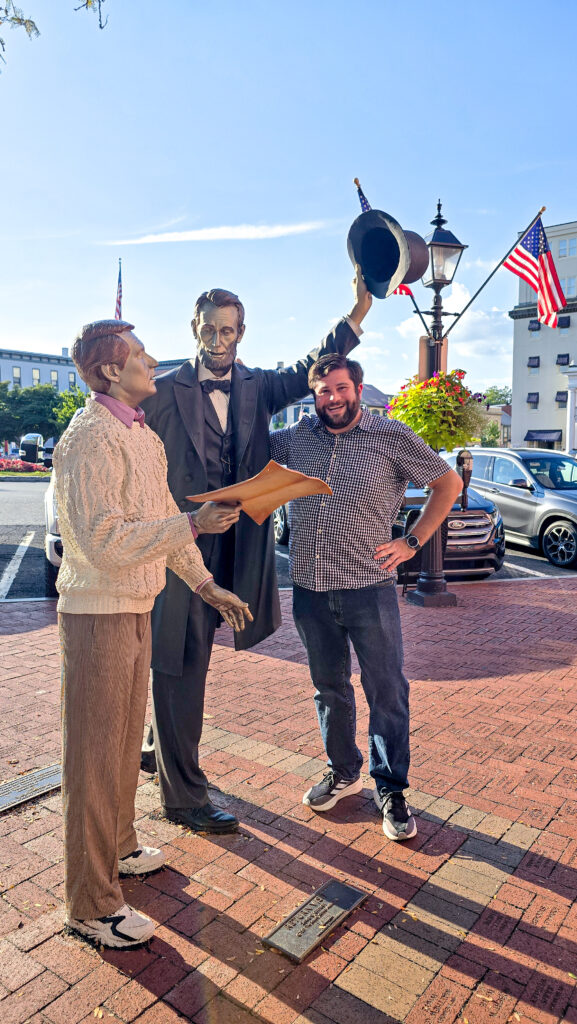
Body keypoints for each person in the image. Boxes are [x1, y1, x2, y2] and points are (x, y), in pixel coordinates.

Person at [140, 274, 372, 833]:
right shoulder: (162, 390)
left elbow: (312, 366)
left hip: (239, 550)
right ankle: (183, 797)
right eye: (209, 329)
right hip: (180, 545)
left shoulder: (258, 386)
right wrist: (177, 524)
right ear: (193, 328)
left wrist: (358, 310)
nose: (219, 339)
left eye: (229, 329)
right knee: (179, 659)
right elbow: (140, 468)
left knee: (193, 659)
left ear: (241, 332)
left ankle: (156, 746)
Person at [55, 319, 252, 948]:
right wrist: (191, 527)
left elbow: (165, 522)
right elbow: (103, 541)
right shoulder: (89, 438)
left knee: (119, 747)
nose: (152, 361)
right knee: (93, 757)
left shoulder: (140, 435)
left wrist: (203, 585)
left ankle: (120, 845)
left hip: (138, 604)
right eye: (139, 355)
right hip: (97, 613)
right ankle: (90, 903)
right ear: (112, 371)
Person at [269, 353, 462, 841]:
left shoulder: (389, 435)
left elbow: (448, 483)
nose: (332, 399)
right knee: (329, 689)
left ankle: (391, 789)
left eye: (340, 388)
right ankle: (342, 770)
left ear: (358, 387)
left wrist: (412, 542)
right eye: (322, 391)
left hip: (368, 588)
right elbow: (240, 451)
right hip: (310, 590)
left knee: (386, 691)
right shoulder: (295, 438)